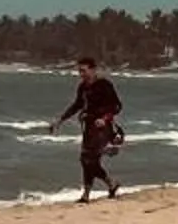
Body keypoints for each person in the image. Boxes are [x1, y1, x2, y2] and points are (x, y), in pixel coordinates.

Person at [53, 57, 125, 201]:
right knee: (87, 160)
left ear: (93, 70)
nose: (81, 74)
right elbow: (77, 105)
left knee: (88, 159)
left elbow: (116, 106)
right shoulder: (83, 87)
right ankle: (98, 189)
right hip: (89, 127)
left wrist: (104, 119)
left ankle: (98, 189)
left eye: (84, 70)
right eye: (79, 71)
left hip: (104, 128)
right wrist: (60, 120)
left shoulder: (104, 85)